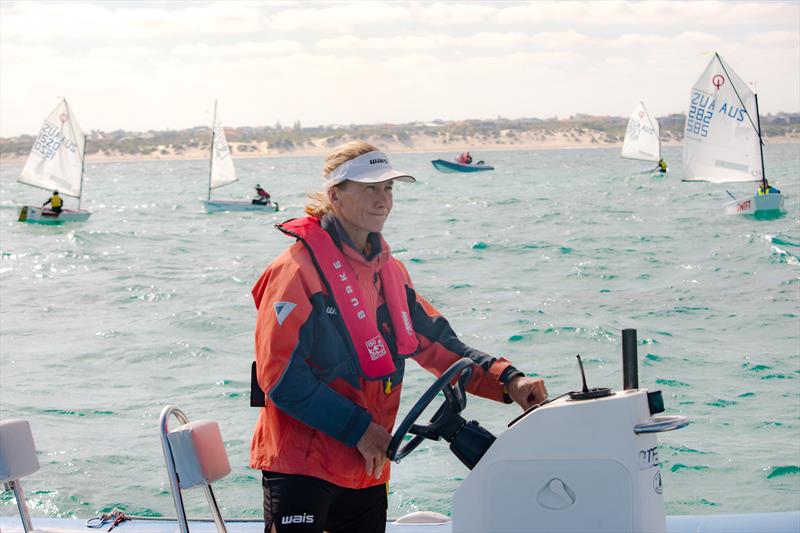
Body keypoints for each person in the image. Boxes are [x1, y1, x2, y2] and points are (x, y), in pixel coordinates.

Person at [249, 140, 547, 533]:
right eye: (370, 187)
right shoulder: (295, 271)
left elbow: (441, 346)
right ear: (335, 195)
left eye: (388, 188)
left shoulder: (391, 273)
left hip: (367, 467)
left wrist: (510, 381)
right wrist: (359, 430)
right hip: (303, 467)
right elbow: (280, 377)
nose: (382, 199)